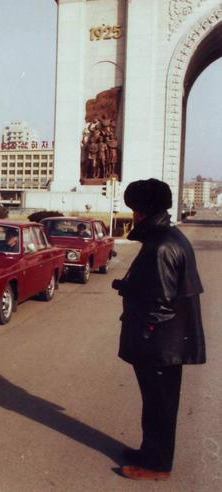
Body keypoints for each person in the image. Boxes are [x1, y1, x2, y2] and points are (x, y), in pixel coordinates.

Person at [113, 178, 205, 480]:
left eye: (136, 210)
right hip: (166, 340)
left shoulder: (162, 245)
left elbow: (161, 303)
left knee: (159, 407)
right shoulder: (167, 236)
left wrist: (143, 337)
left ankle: (155, 465)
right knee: (157, 404)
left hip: (160, 343)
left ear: (144, 211)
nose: (134, 216)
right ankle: (150, 452)